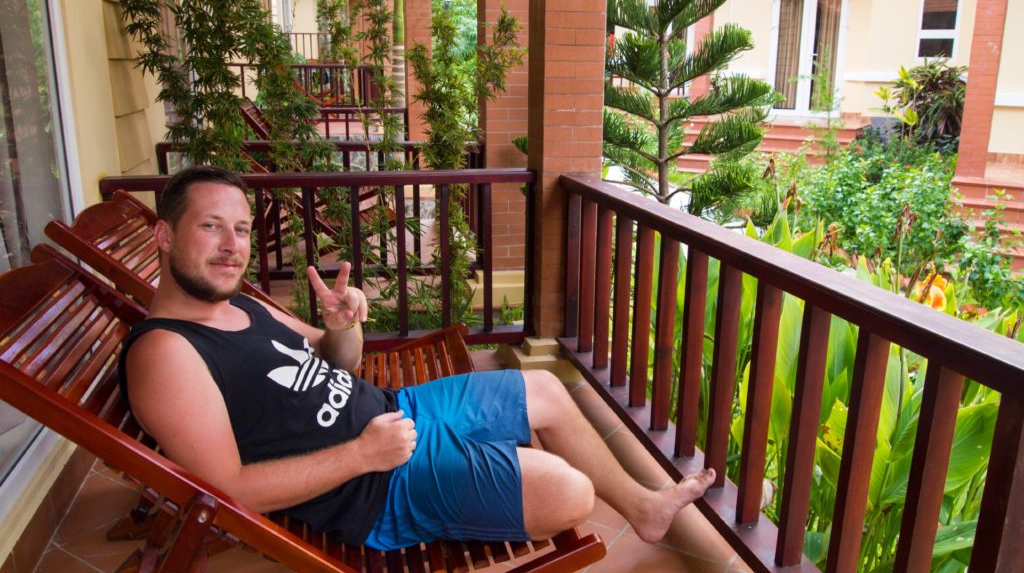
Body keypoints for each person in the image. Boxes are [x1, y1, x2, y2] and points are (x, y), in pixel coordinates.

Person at [120, 165, 715, 551]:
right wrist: (361, 455)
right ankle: (484, 470)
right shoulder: (168, 352)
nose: (232, 247)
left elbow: (338, 360)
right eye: (211, 227)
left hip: (391, 412)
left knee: (546, 391)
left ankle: (642, 506)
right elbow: (226, 490)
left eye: (243, 230)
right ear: (165, 237)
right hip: (377, 487)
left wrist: (340, 325)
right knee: (571, 493)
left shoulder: (241, 307)